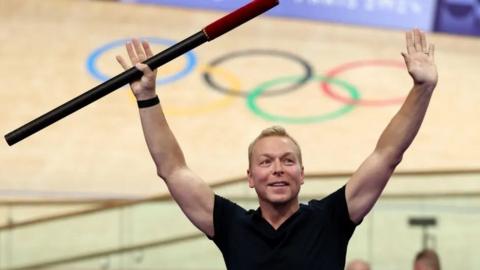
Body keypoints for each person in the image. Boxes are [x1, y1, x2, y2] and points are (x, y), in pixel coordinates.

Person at [115, 28, 438, 270]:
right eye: (266, 162)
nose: (278, 168)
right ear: (251, 177)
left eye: (288, 160)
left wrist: (422, 88)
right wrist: (147, 97)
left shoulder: (331, 219)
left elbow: (387, 155)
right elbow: (172, 169)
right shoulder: (230, 225)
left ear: (302, 174)